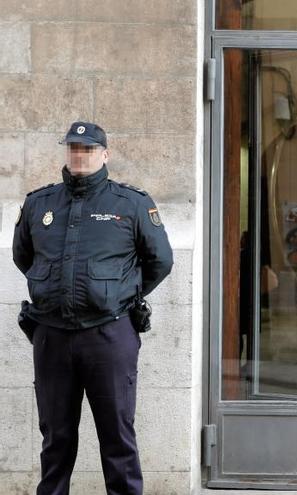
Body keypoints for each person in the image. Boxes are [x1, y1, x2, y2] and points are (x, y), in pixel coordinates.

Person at [12, 121, 174, 495]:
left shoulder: (131, 204)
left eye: (87, 149)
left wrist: (120, 294)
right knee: (56, 437)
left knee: (117, 436)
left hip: (109, 334)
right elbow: (25, 257)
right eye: (74, 148)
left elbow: (160, 261)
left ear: (105, 154)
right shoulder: (40, 204)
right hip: (51, 336)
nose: (79, 155)